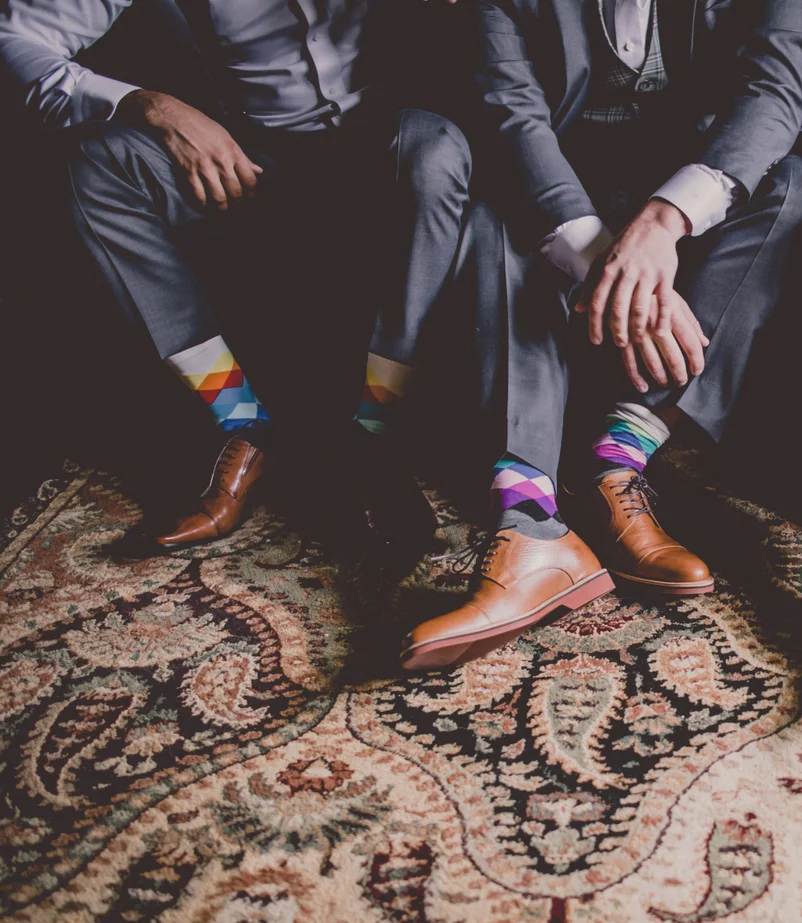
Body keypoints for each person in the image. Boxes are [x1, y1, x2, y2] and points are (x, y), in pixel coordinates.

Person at [398, 0, 802, 670]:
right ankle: (530, 522)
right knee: (489, 215)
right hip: (556, 189)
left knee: (794, 184)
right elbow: (511, 112)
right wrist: (620, 274)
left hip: (690, 188)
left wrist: (665, 222)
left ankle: (616, 459)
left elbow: (775, 92)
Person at [0, 0, 476, 552]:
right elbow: (13, 40)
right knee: (98, 165)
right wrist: (145, 103)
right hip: (248, 156)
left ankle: (373, 434)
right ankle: (244, 425)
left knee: (435, 149)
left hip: (393, 136)